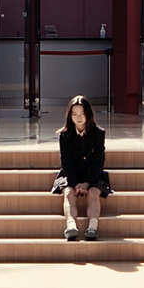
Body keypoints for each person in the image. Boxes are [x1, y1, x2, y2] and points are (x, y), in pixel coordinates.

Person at [52, 94, 111, 241]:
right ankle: (71, 226)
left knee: (93, 193)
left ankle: (92, 227)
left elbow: (99, 161)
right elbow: (66, 162)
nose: (78, 118)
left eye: (82, 114)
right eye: (74, 114)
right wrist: (75, 182)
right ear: (69, 116)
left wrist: (86, 182)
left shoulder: (98, 133)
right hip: (71, 174)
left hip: (93, 174)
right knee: (69, 193)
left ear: (88, 114)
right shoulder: (64, 135)